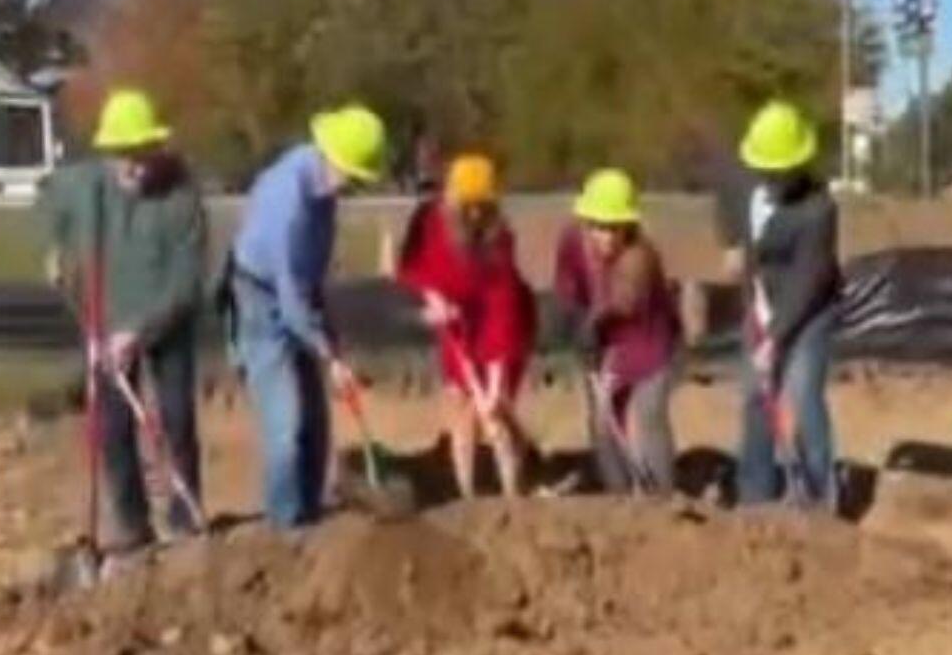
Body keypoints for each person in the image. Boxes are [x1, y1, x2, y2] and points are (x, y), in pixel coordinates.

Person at [40, 88, 206, 552]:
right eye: (122, 156)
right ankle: (132, 526)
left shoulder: (182, 198)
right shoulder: (85, 184)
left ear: (157, 148)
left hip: (165, 322)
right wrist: (55, 247)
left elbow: (187, 282)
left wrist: (140, 331)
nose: (132, 167)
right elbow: (49, 199)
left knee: (175, 419)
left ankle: (185, 520)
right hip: (106, 318)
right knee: (113, 428)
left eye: (141, 155)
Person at [227, 103, 387, 528]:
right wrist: (330, 357)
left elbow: (311, 278)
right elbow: (290, 297)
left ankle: (311, 516)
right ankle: (285, 532)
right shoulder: (289, 201)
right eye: (351, 175)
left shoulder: (323, 192)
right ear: (331, 157)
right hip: (260, 300)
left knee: (316, 423)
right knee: (286, 423)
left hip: (298, 293)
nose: (351, 185)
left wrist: (330, 338)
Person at [397, 153, 535, 498]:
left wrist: (493, 384)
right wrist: (433, 300)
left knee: (495, 414)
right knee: (459, 407)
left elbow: (502, 313)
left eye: (482, 206)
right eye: (466, 206)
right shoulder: (428, 224)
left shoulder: (498, 242)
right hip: (455, 326)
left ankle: (513, 491)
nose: (474, 214)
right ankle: (466, 492)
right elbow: (412, 269)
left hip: (501, 330)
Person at [731, 101, 842, 509]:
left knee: (801, 394)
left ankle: (819, 496)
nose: (770, 176)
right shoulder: (750, 193)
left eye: (780, 170)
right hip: (762, 308)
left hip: (809, 314)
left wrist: (774, 339)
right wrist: (754, 314)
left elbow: (808, 281)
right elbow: (745, 246)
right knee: (755, 396)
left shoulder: (818, 209)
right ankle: (754, 495)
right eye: (765, 168)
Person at [553, 168, 682, 495]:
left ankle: (661, 494)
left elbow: (622, 304)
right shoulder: (572, 243)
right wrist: (576, 326)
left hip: (651, 346)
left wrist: (592, 328)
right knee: (602, 422)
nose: (606, 237)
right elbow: (567, 290)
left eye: (614, 228)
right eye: (598, 227)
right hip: (607, 344)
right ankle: (618, 495)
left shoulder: (640, 257)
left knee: (648, 414)